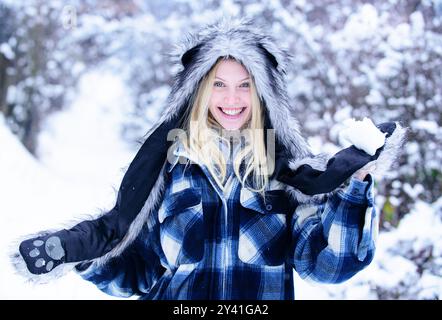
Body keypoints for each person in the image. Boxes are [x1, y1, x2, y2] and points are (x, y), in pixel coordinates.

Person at [12, 17, 406, 299]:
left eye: (244, 85)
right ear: (198, 91)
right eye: (218, 84)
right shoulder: (170, 170)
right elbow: (138, 272)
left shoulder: (284, 174)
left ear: (263, 95)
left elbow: (328, 266)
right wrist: (80, 254)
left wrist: (355, 186)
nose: (231, 99)